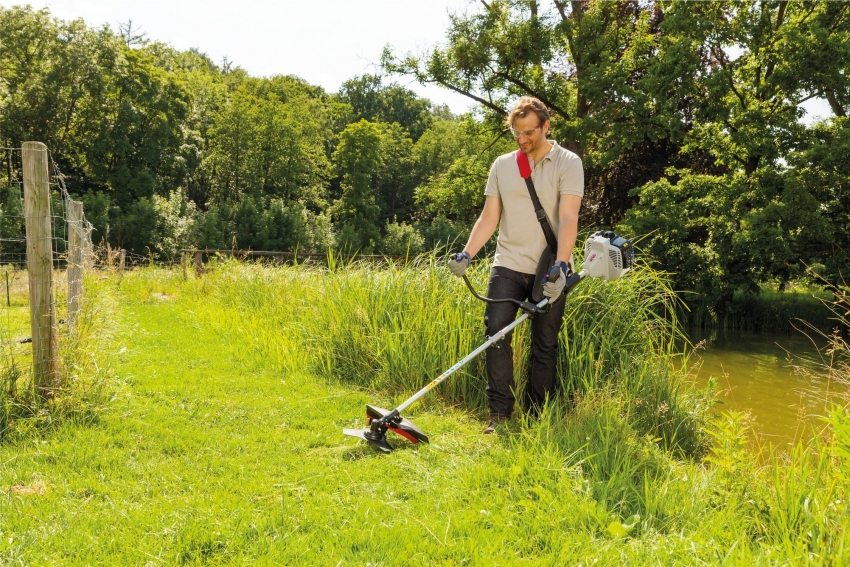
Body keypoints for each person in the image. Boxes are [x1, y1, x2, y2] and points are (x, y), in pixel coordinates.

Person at [448, 96, 584, 433]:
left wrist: (562, 266)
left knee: (545, 342)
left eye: (529, 133)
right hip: (507, 262)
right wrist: (467, 253)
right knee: (495, 332)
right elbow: (489, 216)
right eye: (516, 134)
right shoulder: (503, 165)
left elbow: (568, 218)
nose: (522, 140)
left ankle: (539, 415)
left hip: (549, 267)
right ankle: (499, 414)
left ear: (546, 126)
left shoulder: (568, 162)